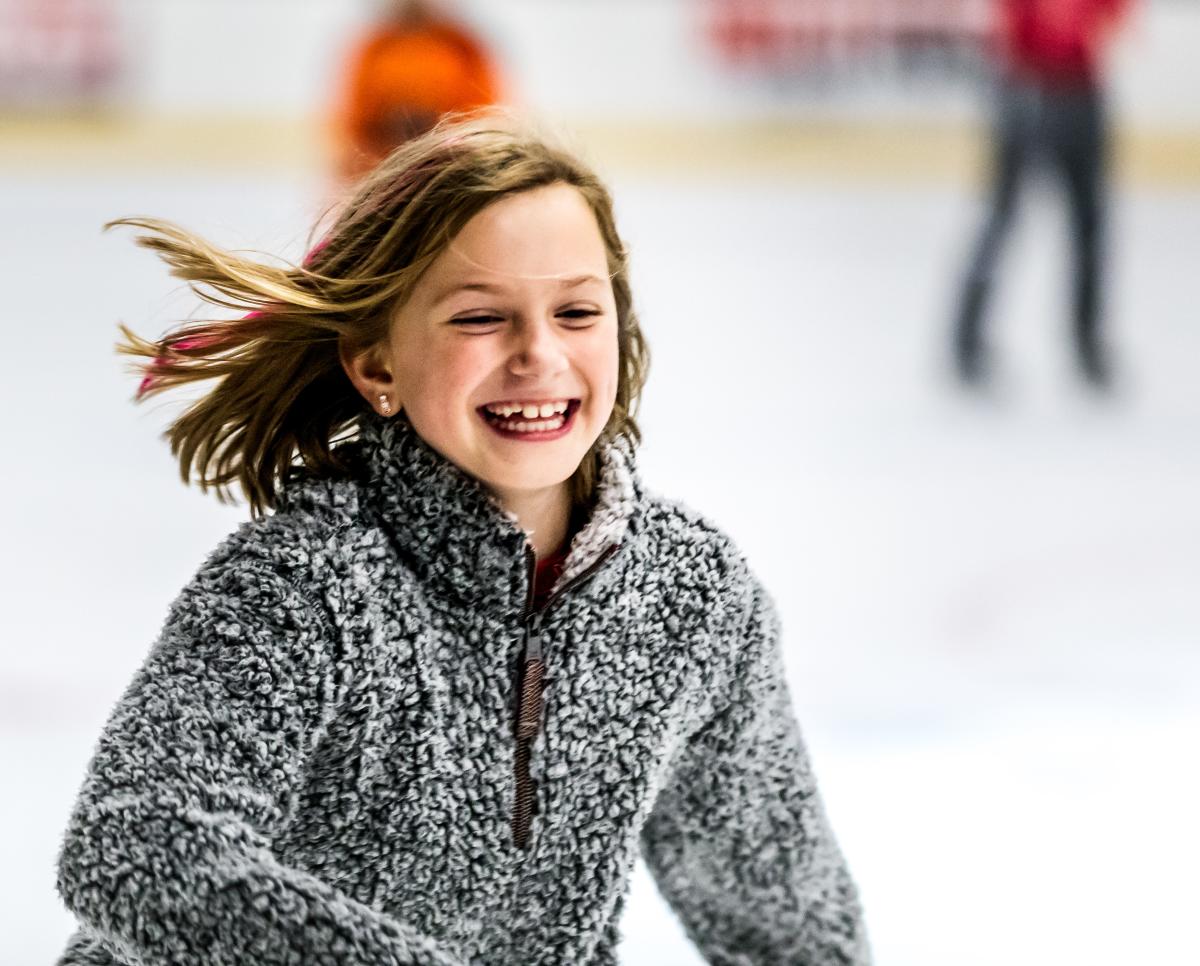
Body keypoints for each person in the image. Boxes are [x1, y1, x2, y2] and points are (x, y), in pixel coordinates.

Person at [53, 112, 870, 966]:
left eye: (577, 311)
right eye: (481, 318)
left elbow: (785, 916)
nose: (539, 354)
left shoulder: (693, 596)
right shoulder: (304, 582)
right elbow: (135, 846)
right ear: (377, 365)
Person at [953, 0, 1133, 389]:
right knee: (1001, 220)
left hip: (1079, 90)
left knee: (1088, 226)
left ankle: (1087, 344)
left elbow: (1116, 17)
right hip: (1025, 87)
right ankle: (966, 341)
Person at [332, 0, 501, 182]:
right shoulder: (374, 50)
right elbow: (356, 127)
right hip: (386, 171)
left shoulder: (463, 48)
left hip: (450, 165)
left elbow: (483, 120)